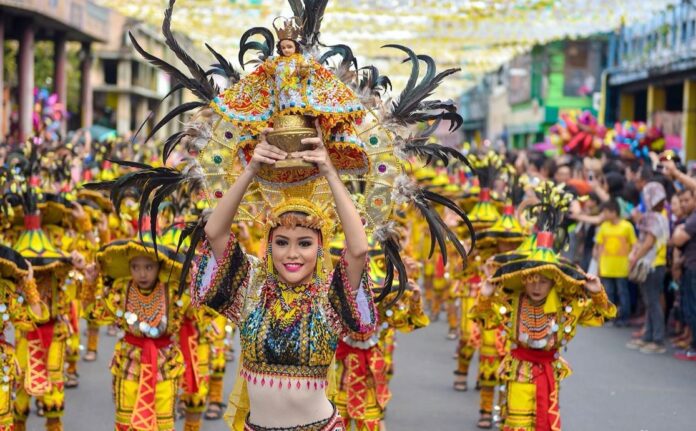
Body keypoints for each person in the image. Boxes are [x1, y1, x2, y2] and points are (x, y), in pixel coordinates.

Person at [190, 126, 376, 430]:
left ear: (319, 248)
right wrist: (251, 169)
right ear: (269, 246)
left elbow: (358, 250)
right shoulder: (252, 287)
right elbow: (214, 232)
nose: (292, 254)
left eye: (304, 243)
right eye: (281, 242)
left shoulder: (328, 296)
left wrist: (329, 170)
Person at [476, 229, 615, 431]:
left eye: (543, 281)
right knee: (518, 424)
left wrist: (597, 294)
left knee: (545, 421)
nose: (536, 287)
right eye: (532, 280)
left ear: (554, 282)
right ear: (524, 280)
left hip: (549, 373)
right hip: (519, 372)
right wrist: (485, 297)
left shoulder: (567, 305)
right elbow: (484, 321)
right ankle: (484, 407)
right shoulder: (511, 302)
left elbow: (602, 316)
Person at [84, 229, 198, 431]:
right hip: (129, 362)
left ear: (159, 266)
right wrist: (91, 285)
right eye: (135, 267)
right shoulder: (121, 290)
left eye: (148, 266)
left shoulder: (173, 291)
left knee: (163, 423)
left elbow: (198, 314)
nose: (142, 273)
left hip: (164, 362)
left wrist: (196, 284)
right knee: (126, 423)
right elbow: (93, 314)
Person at [626, 182, 669, 354]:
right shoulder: (655, 216)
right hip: (652, 264)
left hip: (653, 264)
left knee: (652, 302)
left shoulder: (656, 217)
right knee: (650, 302)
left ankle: (657, 340)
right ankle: (648, 336)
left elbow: (649, 242)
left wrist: (634, 259)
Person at [594, 200, 636, 326]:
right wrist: (598, 263)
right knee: (608, 293)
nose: (604, 214)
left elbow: (634, 244)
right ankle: (609, 316)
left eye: (606, 212)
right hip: (607, 267)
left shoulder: (627, 226)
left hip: (621, 268)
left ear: (614, 212)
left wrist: (631, 261)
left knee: (623, 293)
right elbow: (599, 245)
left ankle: (624, 318)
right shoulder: (604, 227)